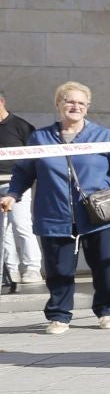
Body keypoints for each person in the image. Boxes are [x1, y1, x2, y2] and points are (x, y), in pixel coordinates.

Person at [1, 82, 110, 333]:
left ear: (87, 108)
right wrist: (13, 194)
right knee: (58, 268)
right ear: (58, 104)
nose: (74, 106)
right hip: (54, 213)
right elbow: (23, 171)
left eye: (80, 103)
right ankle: (59, 315)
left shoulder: (104, 135)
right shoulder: (40, 137)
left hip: (101, 213)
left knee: (104, 265)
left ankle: (107, 310)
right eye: (69, 101)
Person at [0, 90, 40, 289]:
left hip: (16, 184)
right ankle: (10, 269)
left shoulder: (21, 126)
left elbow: (34, 155)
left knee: (21, 225)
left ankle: (32, 267)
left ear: (2, 101)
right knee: (2, 231)